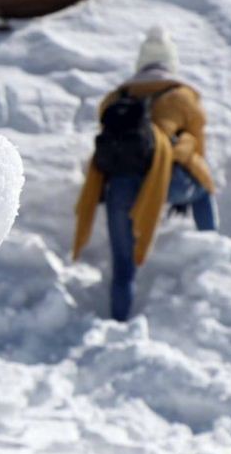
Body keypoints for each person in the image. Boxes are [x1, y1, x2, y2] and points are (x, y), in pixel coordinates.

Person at [73, 26, 216, 322]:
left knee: (123, 267)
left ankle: (118, 325)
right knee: (204, 189)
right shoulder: (183, 96)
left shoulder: (116, 97)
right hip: (167, 181)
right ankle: (213, 259)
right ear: (171, 62)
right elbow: (198, 154)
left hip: (120, 186)